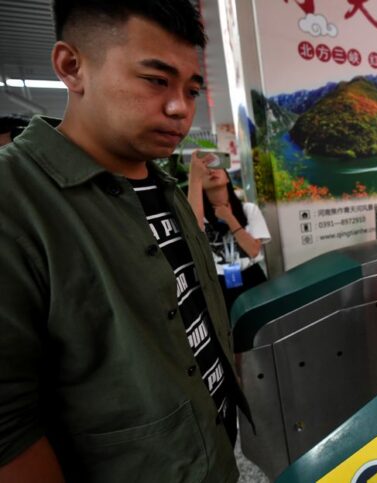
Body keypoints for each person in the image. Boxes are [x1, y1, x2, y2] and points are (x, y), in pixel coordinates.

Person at [0, 2, 250, 482]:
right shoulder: (16, 202)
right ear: (72, 67)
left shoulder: (164, 188)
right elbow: (8, 429)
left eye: (191, 89)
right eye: (156, 80)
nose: (180, 107)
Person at [188, 155, 271, 313]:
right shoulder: (200, 219)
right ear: (200, 184)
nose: (212, 171)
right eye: (206, 171)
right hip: (218, 281)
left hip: (251, 277)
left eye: (217, 168)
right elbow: (192, 231)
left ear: (227, 177)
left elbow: (253, 250)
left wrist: (229, 218)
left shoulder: (248, 210)